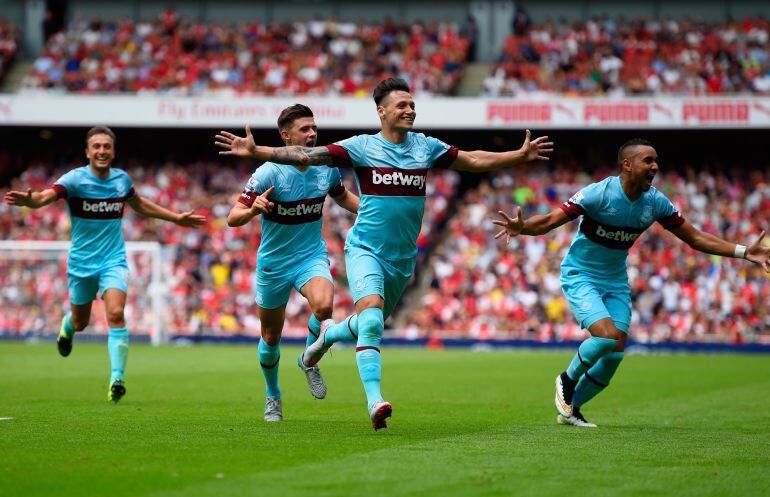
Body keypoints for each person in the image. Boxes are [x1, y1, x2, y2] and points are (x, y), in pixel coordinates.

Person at [215, 77, 553, 430]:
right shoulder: (358, 148)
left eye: (412, 105)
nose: (410, 110)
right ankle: (360, 401)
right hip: (353, 251)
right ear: (382, 112)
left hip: (400, 257)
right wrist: (257, 160)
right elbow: (301, 158)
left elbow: (471, 159)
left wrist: (517, 155)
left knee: (359, 320)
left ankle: (319, 344)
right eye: (402, 105)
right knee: (287, 334)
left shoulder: (425, 147)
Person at [492, 138, 770, 427]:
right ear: (627, 164)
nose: (655, 166)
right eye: (648, 160)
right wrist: (522, 227)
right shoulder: (598, 194)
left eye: (656, 161)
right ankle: (566, 379)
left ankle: (572, 410)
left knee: (614, 353)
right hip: (581, 274)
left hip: (615, 282)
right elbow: (550, 220)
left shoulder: (656, 202)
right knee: (605, 335)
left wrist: (744, 251)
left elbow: (696, 238)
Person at [4, 126, 206, 402]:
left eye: (106, 146)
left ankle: (117, 378)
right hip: (81, 263)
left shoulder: (121, 180)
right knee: (81, 320)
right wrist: (32, 201)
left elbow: (140, 204)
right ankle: (68, 326)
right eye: (96, 146)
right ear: (87, 152)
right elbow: (44, 197)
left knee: (115, 314)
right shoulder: (74, 180)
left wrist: (176, 218)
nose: (101, 151)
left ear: (113, 151)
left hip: (114, 260)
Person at [225, 104, 359, 422]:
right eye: (305, 129)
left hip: (310, 256)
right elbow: (233, 217)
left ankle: (309, 360)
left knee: (325, 306)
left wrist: (374, 212)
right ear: (286, 136)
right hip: (274, 262)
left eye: (314, 128)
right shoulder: (268, 171)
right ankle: (273, 395)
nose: (312, 134)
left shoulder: (326, 167)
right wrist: (254, 208)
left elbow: (344, 198)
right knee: (271, 337)